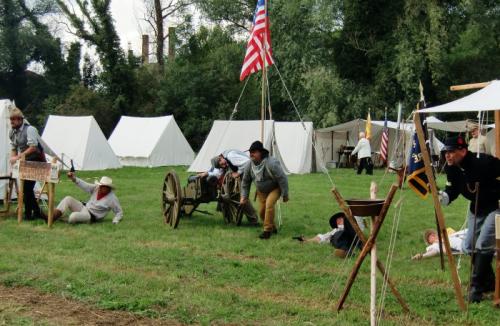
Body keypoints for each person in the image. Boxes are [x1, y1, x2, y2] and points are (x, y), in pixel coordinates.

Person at [439, 136, 499, 303]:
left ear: (463, 151)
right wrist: (442, 196)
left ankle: (476, 288)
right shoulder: (452, 168)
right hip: (477, 208)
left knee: (483, 244)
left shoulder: (483, 163)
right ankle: (489, 282)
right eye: (446, 152)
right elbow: (452, 190)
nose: (447, 156)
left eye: (451, 152)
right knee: (468, 246)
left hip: (496, 207)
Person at [240, 141, 289, 239]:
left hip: (275, 189)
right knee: (262, 213)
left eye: (254, 151)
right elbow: (245, 182)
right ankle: (272, 227)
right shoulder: (249, 165)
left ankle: (267, 231)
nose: (251, 154)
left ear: (261, 152)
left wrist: (285, 194)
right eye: (250, 152)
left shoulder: (272, 163)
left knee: (269, 204)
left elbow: (282, 178)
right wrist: (244, 196)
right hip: (261, 192)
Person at [9, 107, 46, 220]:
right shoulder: (12, 132)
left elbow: (33, 148)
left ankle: (31, 213)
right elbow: (14, 148)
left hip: (37, 161)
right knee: (26, 189)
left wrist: (18, 157)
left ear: (20, 120)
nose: (11, 122)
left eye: (13, 120)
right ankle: (33, 213)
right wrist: (13, 160)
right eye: (10, 120)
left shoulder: (30, 129)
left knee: (27, 188)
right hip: (25, 161)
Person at [51, 172, 123, 224]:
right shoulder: (96, 188)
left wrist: (115, 220)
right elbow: (85, 186)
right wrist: (74, 179)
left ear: (108, 188)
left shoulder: (112, 199)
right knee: (68, 199)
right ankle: (52, 217)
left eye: (104, 186)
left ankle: (65, 219)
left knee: (73, 217)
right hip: (84, 207)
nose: (101, 188)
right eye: (101, 185)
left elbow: (119, 212)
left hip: (90, 217)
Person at [213, 149, 258, 225]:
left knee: (242, 197)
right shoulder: (226, 158)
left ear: (220, 158)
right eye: (221, 166)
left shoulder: (231, 156)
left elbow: (248, 162)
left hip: (251, 172)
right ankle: (251, 219)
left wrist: (238, 172)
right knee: (240, 197)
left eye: (221, 163)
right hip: (247, 172)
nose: (223, 166)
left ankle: (253, 219)